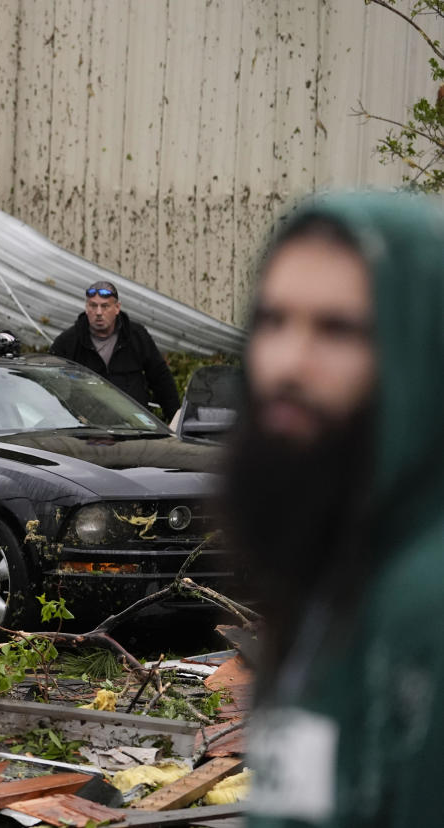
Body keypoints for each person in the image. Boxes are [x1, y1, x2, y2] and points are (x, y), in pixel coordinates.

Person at [226, 193, 444, 826]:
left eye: (338, 329)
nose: (289, 364)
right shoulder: (345, 548)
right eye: (273, 321)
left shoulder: (427, 604)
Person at [49, 280, 180, 422]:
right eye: (93, 305)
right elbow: (48, 384)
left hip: (134, 429)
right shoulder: (68, 341)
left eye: (105, 306)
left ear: (117, 308)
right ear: (87, 308)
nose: (98, 312)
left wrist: (175, 422)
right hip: (86, 430)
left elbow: (161, 380)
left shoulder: (136, 336)